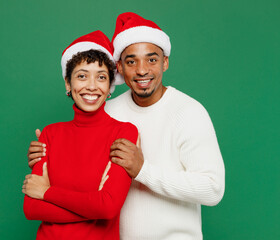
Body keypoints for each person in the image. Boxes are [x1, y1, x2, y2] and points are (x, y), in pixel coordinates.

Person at [27, 13, 225, 240]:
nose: (142, 70)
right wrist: (46, 153)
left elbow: (212, 189)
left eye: (152, 60)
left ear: (165, 62)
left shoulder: (188, 112)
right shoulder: (107, 110)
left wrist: (143, 170)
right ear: (119, 67)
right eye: (131, 61)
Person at [22, 30, 138, 240]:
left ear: (110, 85)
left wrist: (47, 193)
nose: (91, 86)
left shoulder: (124, 132)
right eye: (82, 76)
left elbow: (108, 208)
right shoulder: (50, 133)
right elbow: (31, 208)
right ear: (68, 83)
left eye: (101, 77)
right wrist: (92, 208)